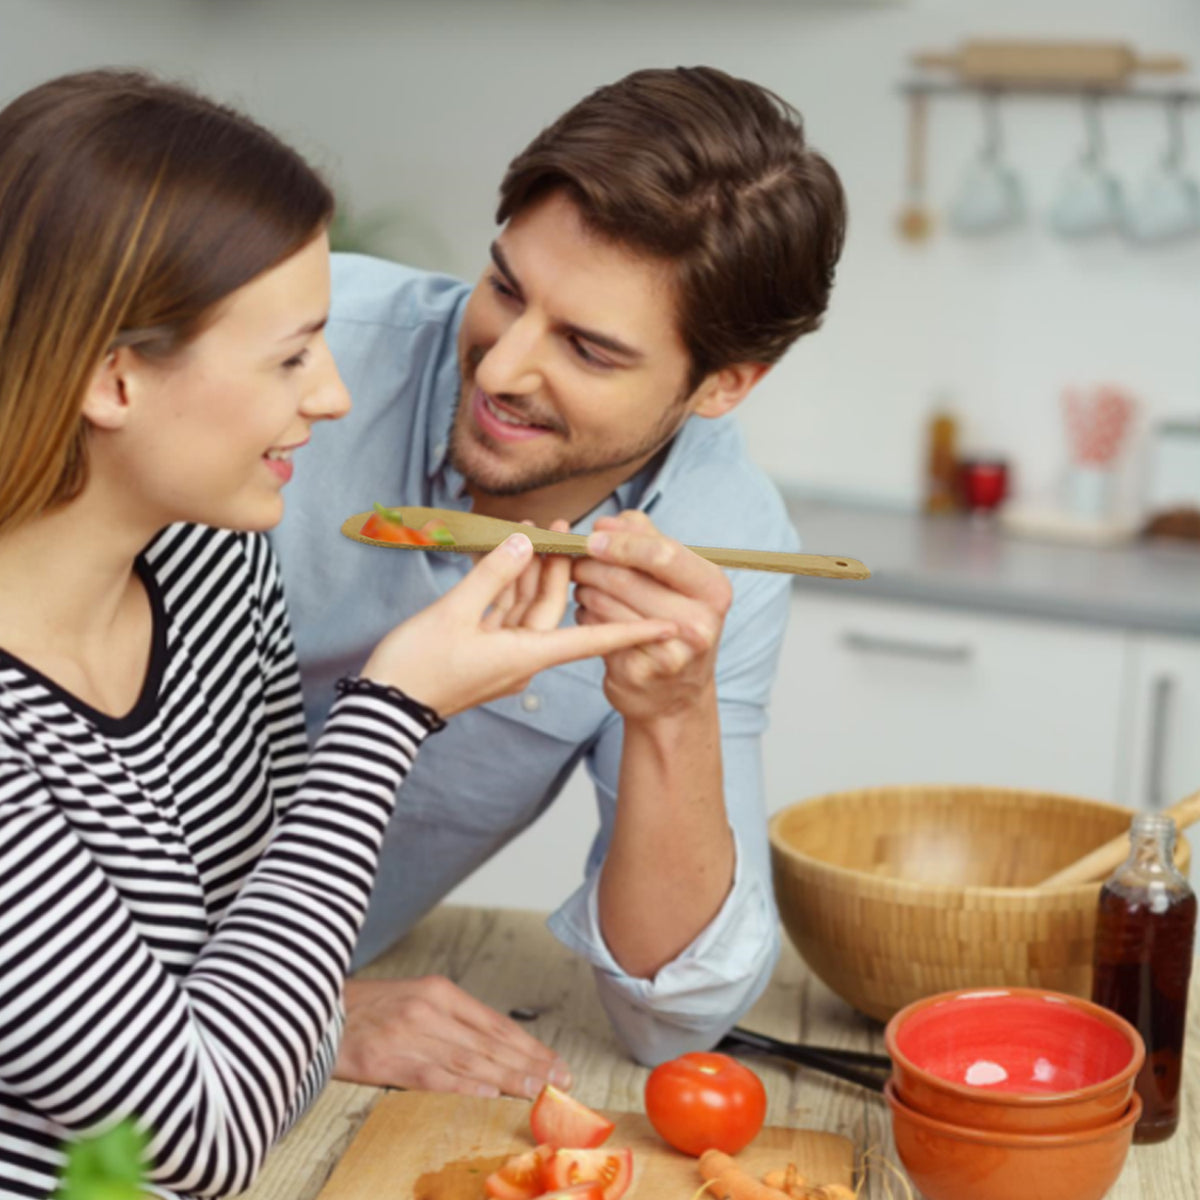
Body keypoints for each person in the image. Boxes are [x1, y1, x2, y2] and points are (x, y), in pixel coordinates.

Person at [0, 70, 675, 1199]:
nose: (334, 397)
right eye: (290, 355)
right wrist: (393, 708)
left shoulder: (208, 564)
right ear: (114, 377)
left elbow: (244, 951)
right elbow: (203, 1135)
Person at [275, 65, 847, 1094]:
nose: (497, 370)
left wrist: (673, 715)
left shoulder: (724, 545)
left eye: (587, 347)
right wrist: (301, 1013)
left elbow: (677, 1017)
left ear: (725, 383)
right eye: (504, 287)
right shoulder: (298, 348)